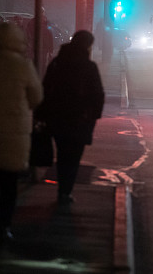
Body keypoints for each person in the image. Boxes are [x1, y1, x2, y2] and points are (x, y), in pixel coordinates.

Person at [0, 22, 43, 243]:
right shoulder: (24, 66)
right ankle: (4, 227)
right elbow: (36, 98)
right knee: (9, 183)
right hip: (15, 133)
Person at [38, 30, 104, 204]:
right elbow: (98, 95)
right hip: (80, 120)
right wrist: (93, 115)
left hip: (57, 117)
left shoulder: (57, 63)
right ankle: (66, 191)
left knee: (62, 154)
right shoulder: (89, 67)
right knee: (74, 156)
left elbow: (45, 89)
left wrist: (43, 114)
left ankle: (62, 190)